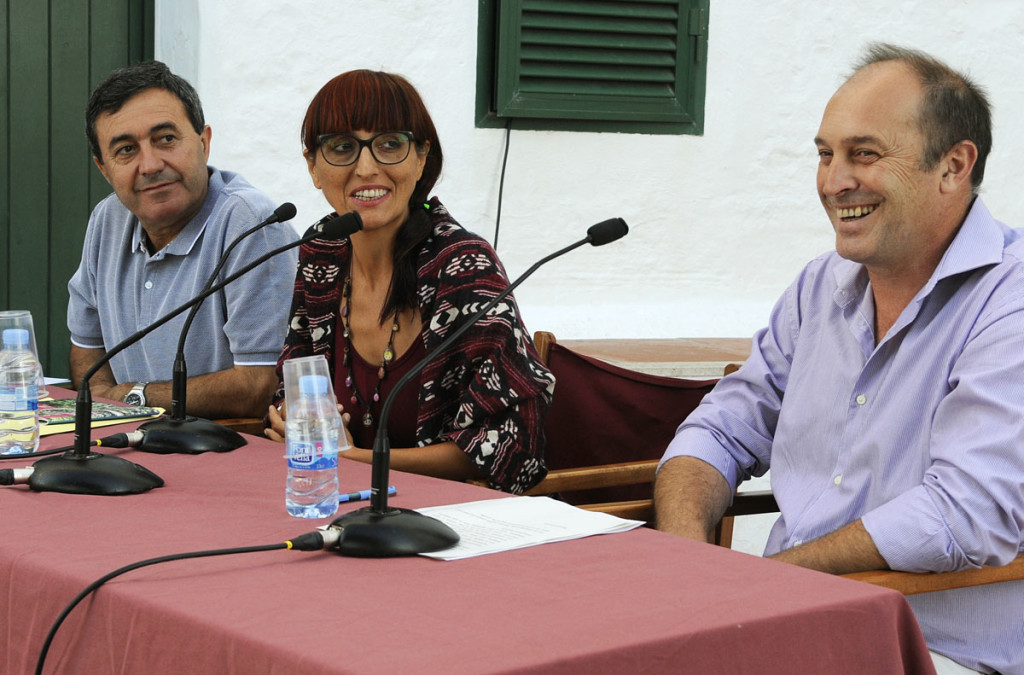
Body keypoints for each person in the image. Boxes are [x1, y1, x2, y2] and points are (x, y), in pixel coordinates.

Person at [655, 44, 1024, 675]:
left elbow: (966, 512)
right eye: (825, 154)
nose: (833, 181)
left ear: (955, 165)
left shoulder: (1008, 302)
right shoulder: (819, 286)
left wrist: (766, 584)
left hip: (932, 650)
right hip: (779, 626)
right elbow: (720, 426)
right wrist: (689, 560)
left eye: (865, 153)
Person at [265, 70, 552, 494]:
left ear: (420, 157)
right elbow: (294, 371)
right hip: (342, 505)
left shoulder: (463, 267)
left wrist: (356, 461)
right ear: (313, 166)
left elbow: (508, 444)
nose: (366, 168)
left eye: (389, 145)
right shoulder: (322, 251)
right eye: (342, 147)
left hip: (453, 522)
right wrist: (289, 411)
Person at [67, 61, 298, 419]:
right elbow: (87, 351)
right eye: (126, 149)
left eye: (166, 139)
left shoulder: (253, 225)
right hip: (128, 444)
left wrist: (134, 396)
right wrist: (106, 404)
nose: (150, 165)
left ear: (204, 143)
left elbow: (259, 386)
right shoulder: (107, 220)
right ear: (104, 169)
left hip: (223, 452)